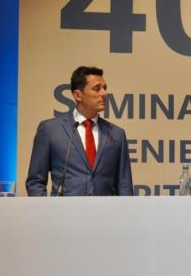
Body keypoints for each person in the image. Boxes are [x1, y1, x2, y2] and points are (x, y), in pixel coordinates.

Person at [26, 66, 133, 196]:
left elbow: (124, 186)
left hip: (106, 214)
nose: (104, 94)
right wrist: (47, 213)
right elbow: (35, 182)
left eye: (105, 88)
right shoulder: (50, 130)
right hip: (63, 213)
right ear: (78, 95)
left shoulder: (116, 134)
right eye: (97, 88)